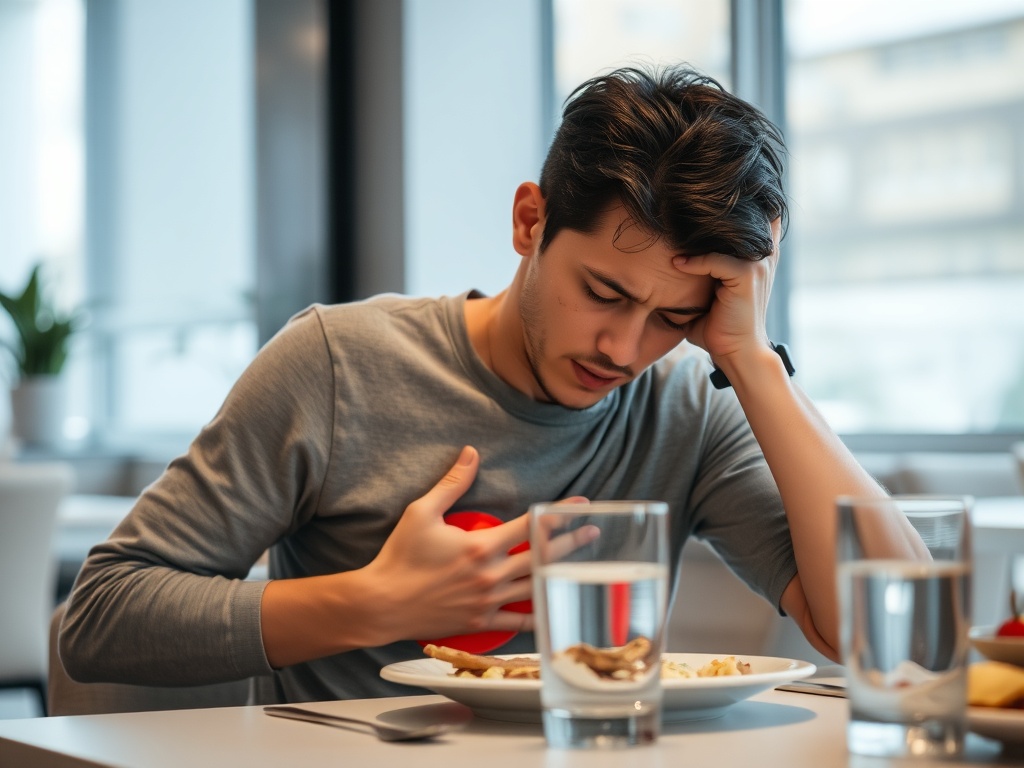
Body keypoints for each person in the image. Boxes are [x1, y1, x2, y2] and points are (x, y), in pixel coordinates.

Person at [60, 65, 894, 704]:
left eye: (671, 317)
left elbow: (890, 640)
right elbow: (103, 618)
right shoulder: (336, 362)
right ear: (529, 221)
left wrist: (752, 363)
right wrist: (374, 604)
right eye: (603, 291)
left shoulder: (687, 399)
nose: (622, 347)